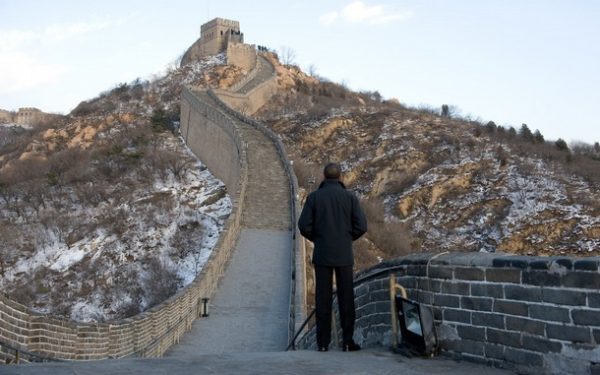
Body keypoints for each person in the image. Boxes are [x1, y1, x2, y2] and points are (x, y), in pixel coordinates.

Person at [298, 162, 367, 352]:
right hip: (344, 254)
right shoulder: (350, 198)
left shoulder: (314, 198)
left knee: (323, 299)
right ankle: (347, 341)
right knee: (346, 298)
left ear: (324, 176)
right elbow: (361, 226)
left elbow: (303, 225)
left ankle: (322, 343)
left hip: (322, 253)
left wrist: (317, 238)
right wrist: (347, 239)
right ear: (340, 177)